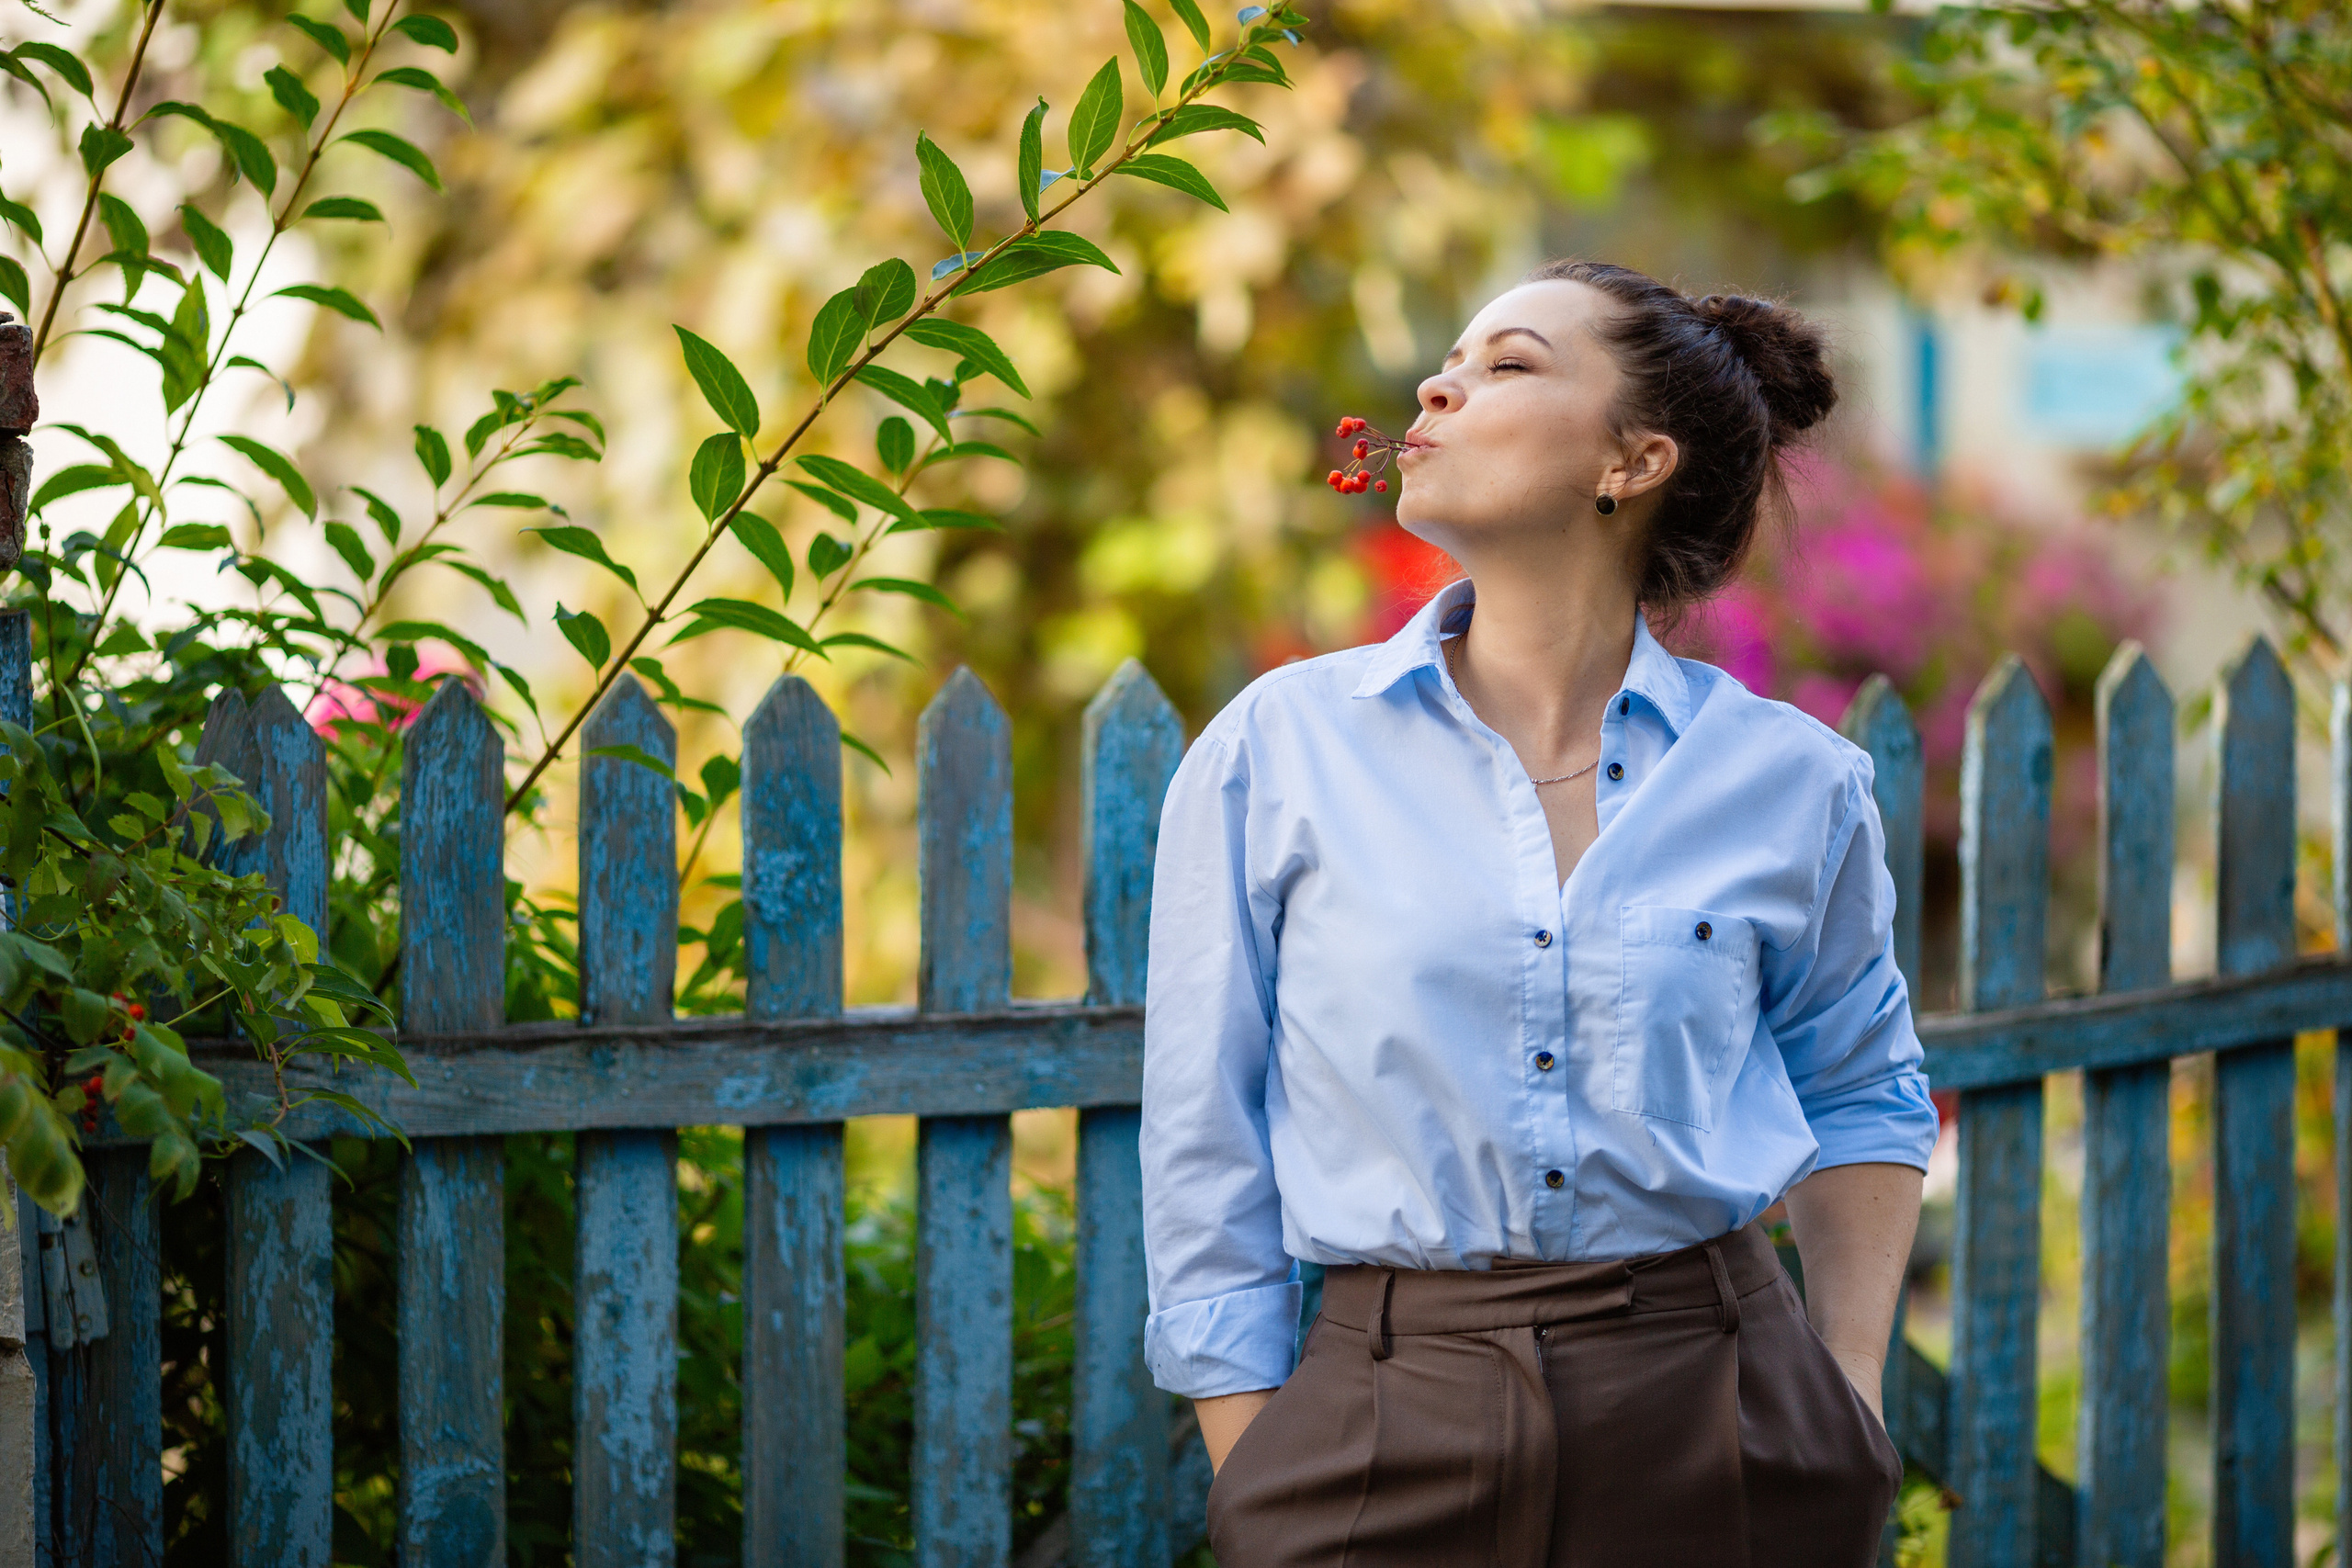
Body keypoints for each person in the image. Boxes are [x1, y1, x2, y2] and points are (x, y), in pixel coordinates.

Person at [1138, 259, 1939, 1567]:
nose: (1434, 387)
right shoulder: (1279, 750)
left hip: (1721, 1412)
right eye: (1448, 360)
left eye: (1507, 363)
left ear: (1633, 460)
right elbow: (1201, 1130)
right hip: (1378, 1416)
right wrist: (1257, 1462)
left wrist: (1846, 1398)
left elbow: (1860, 1089)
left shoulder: (1794, 783)